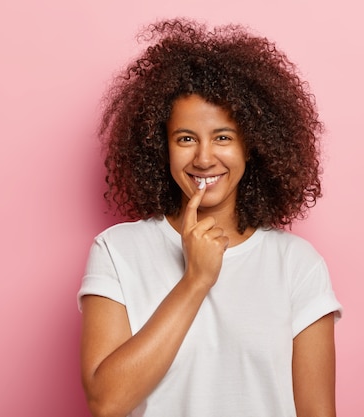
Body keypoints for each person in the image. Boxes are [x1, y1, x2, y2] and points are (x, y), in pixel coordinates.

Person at [78, 18, 343, 417]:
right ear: (160, 146)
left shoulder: (297, 266)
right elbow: (106, 402)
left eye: (223, 137)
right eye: (186, 138)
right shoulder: (117, 252)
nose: (203, 158)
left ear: (251, 147)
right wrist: (196, 280)